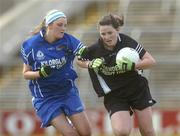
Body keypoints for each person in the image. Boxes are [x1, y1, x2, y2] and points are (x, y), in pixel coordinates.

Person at [76, 13, 156, 136]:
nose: (107, 37)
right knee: (122, 131)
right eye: (103, 34)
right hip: (115, 95)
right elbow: (79, 60)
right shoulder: (95, 49)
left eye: (110, 33)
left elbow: (150, 61)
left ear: (117, 30)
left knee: (147, 131)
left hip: (137, 90)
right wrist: (90, 64)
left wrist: (133, 66)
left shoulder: (127, 42)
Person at [20, 9, 92, 136]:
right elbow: (26, 74)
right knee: (70, 134)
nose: (63, 28)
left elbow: (82, 55)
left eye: (65, 25)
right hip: (45, 98)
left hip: (68, 92)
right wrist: (40, 73)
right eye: (59, 25)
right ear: (49, 25)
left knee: (86, 133)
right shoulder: (31, 45)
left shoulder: (69, 41)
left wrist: (87, 56)